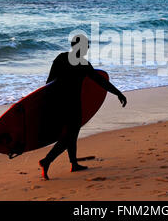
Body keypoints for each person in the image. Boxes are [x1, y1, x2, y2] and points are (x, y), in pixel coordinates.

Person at [38, 34, 127, 180]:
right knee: (69, 136)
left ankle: (73, 164)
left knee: (71, 135)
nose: (88, 48)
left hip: (58, 103)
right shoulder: (83, 64)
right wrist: (118, 93)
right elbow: (101, 82)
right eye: (86, 45)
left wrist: (46, 103)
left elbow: (48, 83)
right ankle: (47, 160)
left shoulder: (61, 58)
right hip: (72, 104)